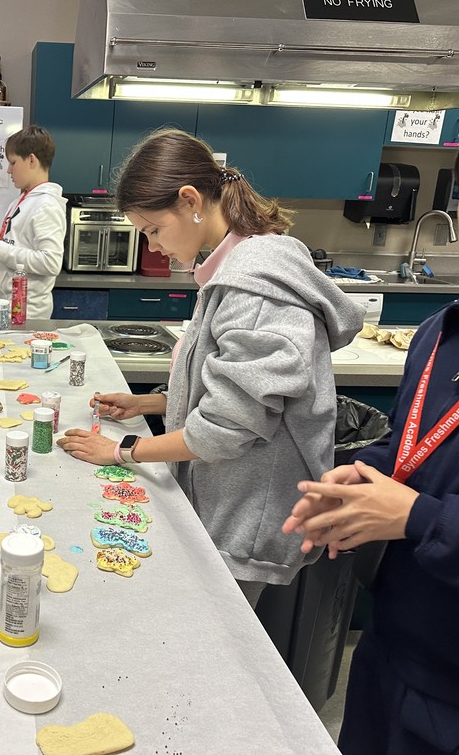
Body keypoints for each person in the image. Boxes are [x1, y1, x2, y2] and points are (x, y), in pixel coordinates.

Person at [283, 95, 459, 754]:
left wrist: (418, 518)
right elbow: (425, 447)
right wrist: (369, 478)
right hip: (389, 663)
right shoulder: (442, 332)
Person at [56, 129, 364, 607]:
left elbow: (225, 429)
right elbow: (229, 384)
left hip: (244, 512)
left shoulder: (253, 285)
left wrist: (122, 450)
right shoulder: (232, 267)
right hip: (224, 496)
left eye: (153, 229)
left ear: (190, 200)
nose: (153, 247)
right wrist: (154, 401)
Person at [0, 125, 66, 320]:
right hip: (8, 309)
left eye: (13, 162)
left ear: (31, 160)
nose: (8, 170)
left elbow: (51, 263)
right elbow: (13, 258)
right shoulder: (20, 202)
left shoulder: (46, 205)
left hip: (28, 315)